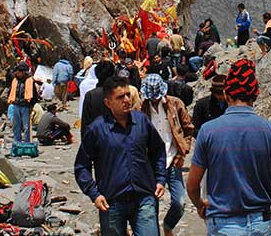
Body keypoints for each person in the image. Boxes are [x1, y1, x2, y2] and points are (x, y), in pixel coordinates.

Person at [186, 60, 271, 235]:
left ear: (227, 94)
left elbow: (193, 186)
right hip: (260, 223)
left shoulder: (208, 131)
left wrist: (200, 205)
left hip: (223, 224)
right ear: (255, 95)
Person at [74, 77, 167, 236]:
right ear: (108, 103)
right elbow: (82, 166)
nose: (126, 100)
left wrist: (160, 179)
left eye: (128, 95)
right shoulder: (97, 129)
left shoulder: (142, 121)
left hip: (144, 196)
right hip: (112, 201)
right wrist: (94, 194)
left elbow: (158, 149)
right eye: (120, 97)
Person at [140, 74, 194, 236]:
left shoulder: (175, 104)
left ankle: (168, 225)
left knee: (179, 202)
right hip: (150, 163)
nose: (155, 101)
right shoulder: (141, 108)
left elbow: (188, 129)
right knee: (151, 205)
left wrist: (183, 152)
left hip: (172, 159)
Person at [81, 61, 118, 139]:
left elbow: (85, 124)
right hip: (116, 139)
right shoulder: (118, 94)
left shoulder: (91, 95)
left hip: (96, 139)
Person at [8, 63, 36, 144]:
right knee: (16, 125)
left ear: (24, 72)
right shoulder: (15, 81)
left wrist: (31, 106)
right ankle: (17, 142)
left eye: (19, 72)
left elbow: (34, 95)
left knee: (26, 126)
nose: (18, 74)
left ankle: (27, 143)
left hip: (25, 106)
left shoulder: (29, 81)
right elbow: (11, 91)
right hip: (16, 105)